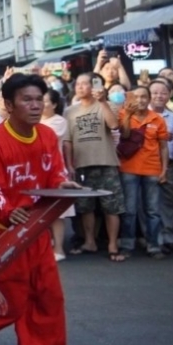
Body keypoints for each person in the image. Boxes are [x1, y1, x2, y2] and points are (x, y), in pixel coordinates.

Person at [0, 73, 83, 345]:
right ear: (8, 105)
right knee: (9, 300)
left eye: (39, 99)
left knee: (48, 295)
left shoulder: (47, 136)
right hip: (0, 232)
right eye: (27, 100)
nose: (35, 106)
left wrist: (64, 184)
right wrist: (6, 210)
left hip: (34, 229)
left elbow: (56, 172)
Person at [63, 73, 125, 260]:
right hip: (81, 164)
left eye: (85, 84)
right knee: (85, 206)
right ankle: (90, 241)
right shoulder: (70, 111)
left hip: (106, 162)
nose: (81, 87)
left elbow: (114, 125)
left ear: (94, 86)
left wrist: (104, 102)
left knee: (111, 206)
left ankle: (113, 244)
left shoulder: (108, 105)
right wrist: (69, 164)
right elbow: (67, 141)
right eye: (78, 84)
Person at [118, 85, 169, 259]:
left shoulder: (158, 119)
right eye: (137, 97)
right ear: (132, 99)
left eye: (143, 97)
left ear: (149, 99)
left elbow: (163, 147)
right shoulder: (124, 115)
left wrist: (164, 170)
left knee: (153, 210)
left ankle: (154, 245)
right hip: (128, 169)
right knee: (129, 210)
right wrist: (127, 113)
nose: (140, 100)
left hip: (152, 169)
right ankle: (127, 245)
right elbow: (122, 135)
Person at [149, 78, 173, 252]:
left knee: (170, 202)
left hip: (169, 164)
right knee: (151, 202)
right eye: (155, 92)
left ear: (169, 95)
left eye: (163, 92)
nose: (159, 96)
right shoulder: (142, 115)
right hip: (148, 164)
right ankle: (155, 239)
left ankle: (168, 235)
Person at [41, 89, 74, 261]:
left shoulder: (59, 121)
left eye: (45, 101)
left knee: (57, 212)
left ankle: (59, 249)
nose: (41, 104)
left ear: (54, 104)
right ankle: (47, 247)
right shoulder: (35, 121)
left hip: (55, 171)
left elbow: (43, 139)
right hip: (38, 171)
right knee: (41, 211)